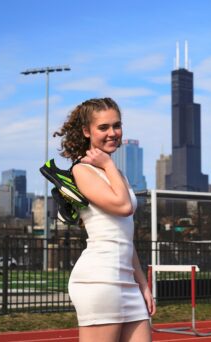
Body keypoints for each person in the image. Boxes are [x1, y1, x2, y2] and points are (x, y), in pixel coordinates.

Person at [54, 98, 156, 342]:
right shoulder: (82, 170)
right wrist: (108, 164)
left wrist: (142, 283)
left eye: (117, 125)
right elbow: (123, 207)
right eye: (103, 127)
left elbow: (124, 236)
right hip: (98, 279)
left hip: (126, 281)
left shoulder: (115, 173)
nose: (113, 133)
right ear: (86, 131)